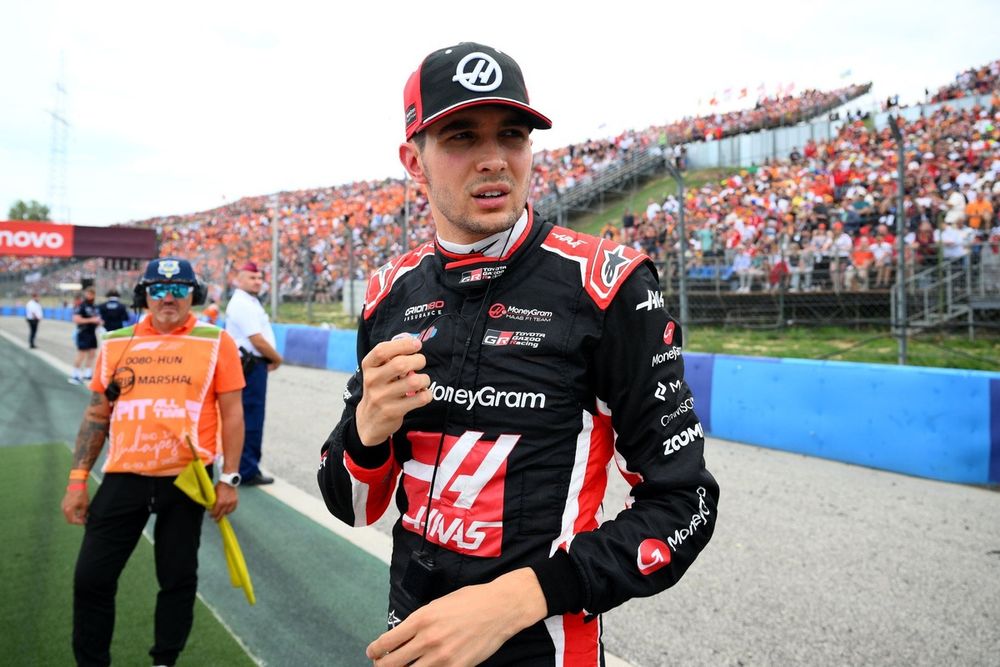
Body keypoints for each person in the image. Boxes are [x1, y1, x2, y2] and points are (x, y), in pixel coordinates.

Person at [317, 42, 719, 666]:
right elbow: (355, 506)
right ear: (412, 161)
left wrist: (521, 598)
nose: (494, 160)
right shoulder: (388, 293)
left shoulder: (608, 285)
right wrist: (367, 430)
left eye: (512, 134)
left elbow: (684, 502)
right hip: (409, 642)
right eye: (459, 137)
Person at [60, 257, 246, 667]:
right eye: (158, 289)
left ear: (193, 295)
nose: (168, 297)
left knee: (177, 579)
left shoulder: (218, 341)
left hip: (187, 478)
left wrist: (229, 478)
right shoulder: (114, 342)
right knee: (91, 578)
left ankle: (165, 660)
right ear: (142, 294)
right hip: (123, 474)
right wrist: (77, 481)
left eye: (179, 288)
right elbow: (96, 415)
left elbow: (233, 413)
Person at [225, 261, 282, 486]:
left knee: (249, 415)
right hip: (250, 365)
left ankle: (244, 464)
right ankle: (247, 469)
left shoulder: (248, 301)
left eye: (259, 278)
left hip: (253, 364)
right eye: (252, 277)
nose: (257, 282)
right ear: (239, 279)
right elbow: (256, 339)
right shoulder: (242, 303)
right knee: (251, 416)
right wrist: (276, 358)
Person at [70, 287, 101, 384]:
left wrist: (99, 322)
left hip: (92, 333)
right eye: (88, 294)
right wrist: (92, 320)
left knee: (92, 353)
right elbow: (76, 319)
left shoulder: (94, 307)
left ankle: (88, 373)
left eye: (92, 294)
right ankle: (75, 374)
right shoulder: (81, 306)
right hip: (83, 332)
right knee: (81, 354)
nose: (90, 296)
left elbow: (97, 319)